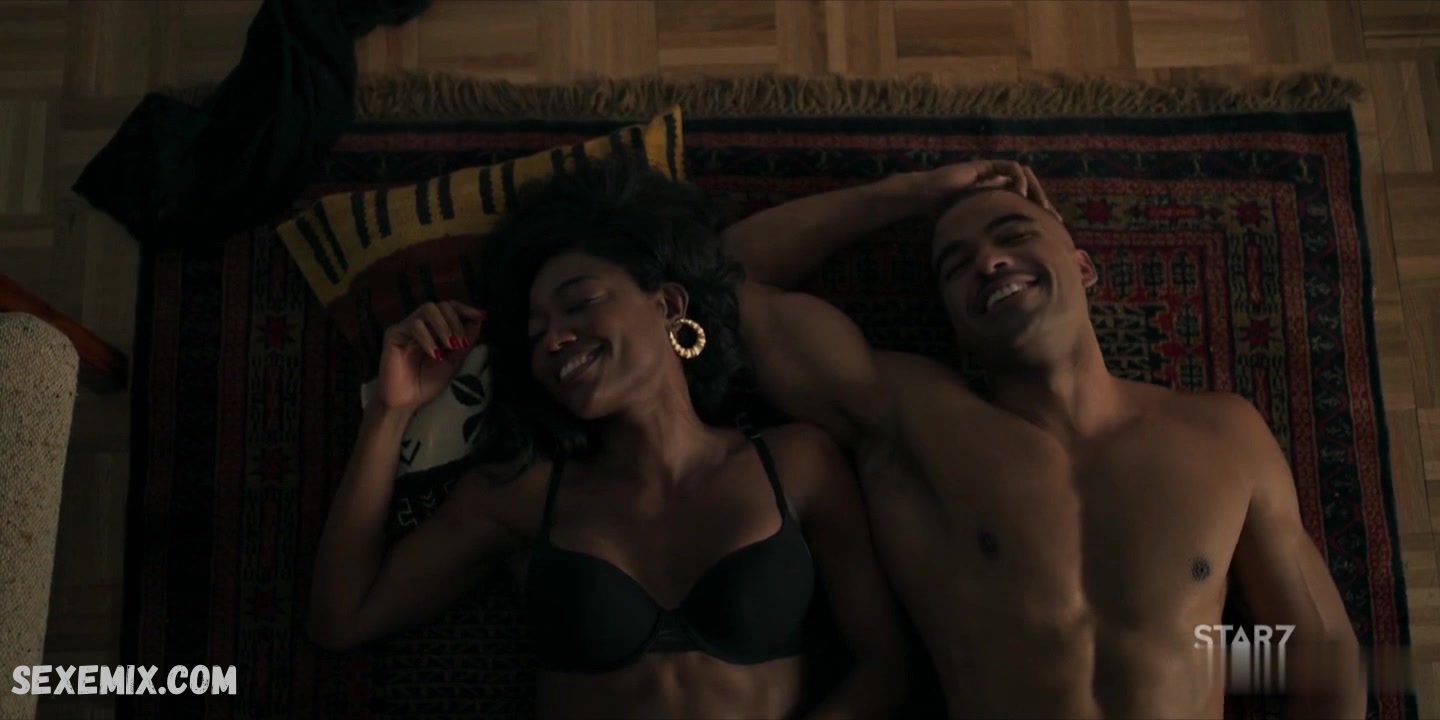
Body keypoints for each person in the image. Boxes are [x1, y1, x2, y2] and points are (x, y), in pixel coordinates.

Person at [720, 161, 1366, 719]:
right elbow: (719, 283)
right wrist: (910, 192)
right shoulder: (910, 418)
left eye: (1014, 236)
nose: (988, 262)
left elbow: (1323, 658)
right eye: (956, 266)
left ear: (1083, 268)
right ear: (954, 320)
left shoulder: (1222, 434)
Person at [307, 156, 910, 720]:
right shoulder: (522, 495)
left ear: (668, 304)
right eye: (536, 332)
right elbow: (342, 617)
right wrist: (391, 411)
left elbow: (885, 664)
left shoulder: (798, 464)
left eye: (580, 304)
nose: (555, 339)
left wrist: (911, 191)